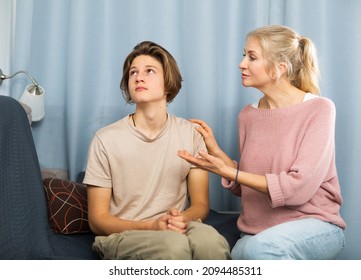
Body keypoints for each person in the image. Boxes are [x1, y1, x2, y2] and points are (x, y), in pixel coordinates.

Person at [178, 25, 346, 260]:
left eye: (252, 57)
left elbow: (297, 189)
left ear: (279, 69)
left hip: (315, 225)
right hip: (259, 230)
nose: (242, 64)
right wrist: (216, 152)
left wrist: (229, 171)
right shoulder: (248, 115)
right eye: (243, 55)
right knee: (239, 253)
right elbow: (245, 186)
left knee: (259, 250)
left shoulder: (319, 109)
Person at [83, 41, 231, 260]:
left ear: (168, 84)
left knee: (211, 242)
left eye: (149, 71)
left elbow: (200, 205)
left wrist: (181, 219)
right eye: (133, 72)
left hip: (177, 227)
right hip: (124, 234)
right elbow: (97, 220)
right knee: (173, 247)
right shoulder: (105, 140)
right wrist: (152, 226)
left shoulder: (191, 133)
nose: (138, 77)